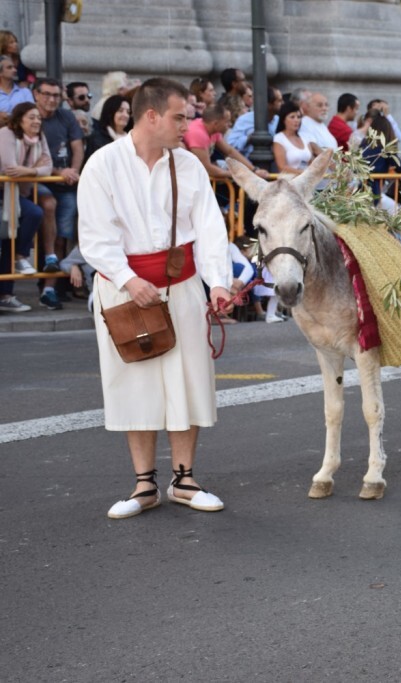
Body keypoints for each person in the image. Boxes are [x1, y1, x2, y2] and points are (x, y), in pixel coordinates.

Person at [78, 77, 233, 519]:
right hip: (123, 291)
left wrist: (218, 282)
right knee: (136, 382)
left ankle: (184, 481)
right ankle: (144, 485)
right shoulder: (103, 164)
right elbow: (95, 235)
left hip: (181, 284)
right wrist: (129, 280)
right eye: (179, 117)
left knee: (189, 379)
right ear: (151, 116)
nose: (187, 125)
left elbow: (210, 227)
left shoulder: (187, 166)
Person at [34, 77, 85, 308]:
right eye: (47, 94)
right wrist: (58, 171)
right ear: (36, 94)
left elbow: (77, 146)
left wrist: (73, 170)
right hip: (37, 181)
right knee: (47, 213)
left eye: (56, 95)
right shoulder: (30, 115)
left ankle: (52, 288)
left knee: (61, 235)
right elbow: (32, 157)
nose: (52, 99)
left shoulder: (66, 117)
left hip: (66, 184)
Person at [0, 101, 48, 306]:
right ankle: (18, 261)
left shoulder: (39, 138)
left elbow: (48, 166)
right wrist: (35, 169)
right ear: (20, 120)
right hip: (4, 193)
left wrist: (29, 171)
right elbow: (10, 168)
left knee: (11, 238)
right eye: (32, 117)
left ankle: (6, 294)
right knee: (7, 238)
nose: (37, 121)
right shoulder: (6, 134)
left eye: (39, 117)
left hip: (16, 194)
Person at [182, 103, 265, 181]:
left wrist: (254, 170)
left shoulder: (212, 128)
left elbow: (230, 151)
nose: (230, 124)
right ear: (215, 123)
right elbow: (206, 168)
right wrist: (239, 174)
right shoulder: (198, 134)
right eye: (227, 121)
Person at [227, 86, 283, 158]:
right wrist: (248, 139)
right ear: (269, 104)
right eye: (279, 101)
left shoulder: (279, 120)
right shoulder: (244, 120)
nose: (282, 103)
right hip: (249, 162)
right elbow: (230, 146)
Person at [273, 100, 317, 175]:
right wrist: (303, 173)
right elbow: (281, 166)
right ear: (284, 119)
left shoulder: (304, 137)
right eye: (292, 117)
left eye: (298, 117)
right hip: (290, 180)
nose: (296, 120)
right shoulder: (279, 138)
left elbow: (311, 160)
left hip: (306, 179)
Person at [85, 94, 131, 165]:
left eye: (128, 112)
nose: (125, 115)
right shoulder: (97, 139)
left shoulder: (131, 138)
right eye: (120, 110)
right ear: (110, 112)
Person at [0, 55, 33, 131]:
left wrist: (10, 118)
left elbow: (31, 113)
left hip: (20, 132)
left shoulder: (25, 92)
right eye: (9, 68)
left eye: (14, 67)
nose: (15, 70)